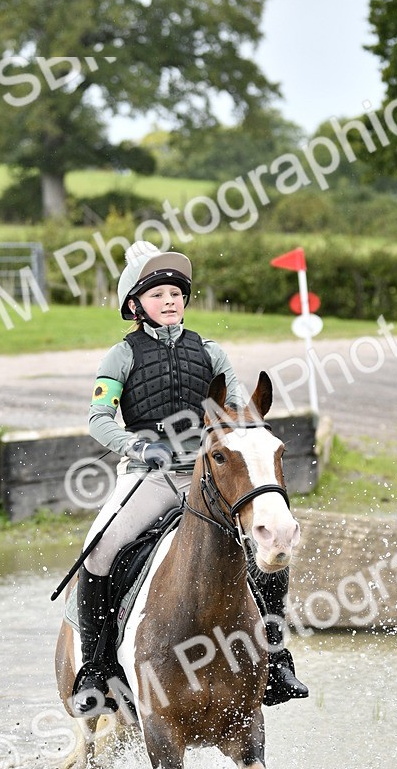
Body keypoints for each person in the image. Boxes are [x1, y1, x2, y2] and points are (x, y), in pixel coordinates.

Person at [71, 240, 308, 715]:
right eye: (158, 295)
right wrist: (138, 446)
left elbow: (238, 411)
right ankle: (97, 669)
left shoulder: (211, 352)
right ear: (135, 306)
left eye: (176, 294)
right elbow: (99, 419)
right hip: (149, 477)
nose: (171, 301)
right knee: (99, 553)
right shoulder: (119, 358)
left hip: (207, 476)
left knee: (265, 548)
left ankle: (276, 656)